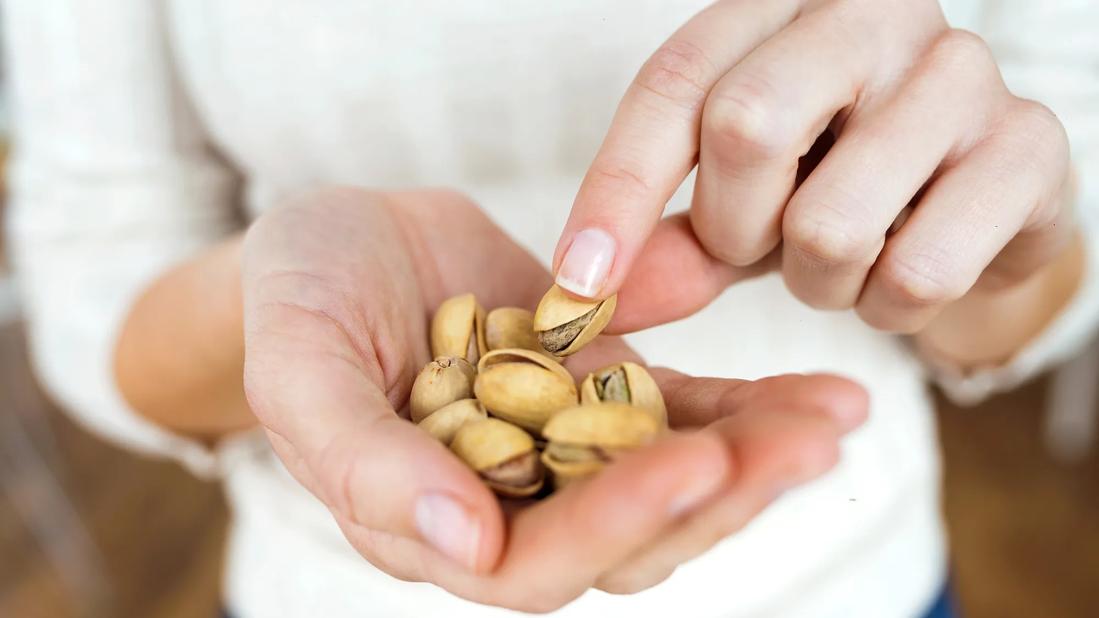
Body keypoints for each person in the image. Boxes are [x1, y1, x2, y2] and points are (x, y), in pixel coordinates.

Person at [5, 1, 1098, 616]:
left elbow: (1049, 251)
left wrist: (988, 255)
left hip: (858, 583)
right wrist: (279, 306)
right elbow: (98, 275)